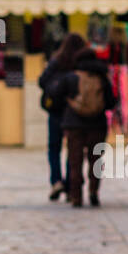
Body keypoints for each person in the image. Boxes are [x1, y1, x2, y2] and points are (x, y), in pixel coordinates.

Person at [49, 46, 116, 208]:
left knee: (75, 161)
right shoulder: (102, 78)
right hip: (97, 124)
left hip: (74, 124)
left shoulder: (70, 77)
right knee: (95, 161)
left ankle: (76, 197)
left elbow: (55, 96)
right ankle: (94, 191)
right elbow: (111, 102)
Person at [39, 33, 87, 201]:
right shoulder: (80, 64)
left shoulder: (56, 61)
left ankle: (56, 181)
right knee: (72, 149)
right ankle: (69, 184)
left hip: (55, 110)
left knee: (54, 147)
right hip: (73, 110)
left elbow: (41, 81)